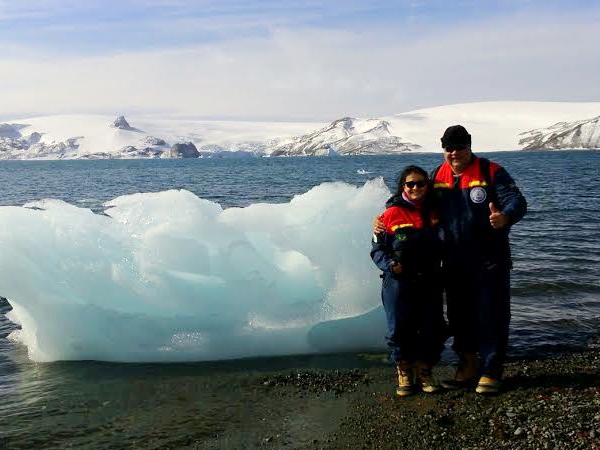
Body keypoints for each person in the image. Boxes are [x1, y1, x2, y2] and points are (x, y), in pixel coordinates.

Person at [375, 125, 527, 395]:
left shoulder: (491, 171)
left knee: (491, 314)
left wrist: (505, 216)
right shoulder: (440, 174)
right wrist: (388, 215)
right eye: (448, 148)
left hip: (489, 259)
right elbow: (412, 196)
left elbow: (516, 200)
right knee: (459, 315)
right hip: (453, 261)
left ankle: (492, 370)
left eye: (459, 147)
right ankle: (467, 364)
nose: (454, 153)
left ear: (469, 147)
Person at [370, 165, 447, 397]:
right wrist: (391, 265)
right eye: (410, 184)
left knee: (433, 328)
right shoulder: (389, 215)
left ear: (427, 185)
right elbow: (377, 250)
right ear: (403, 186)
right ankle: (404, 371)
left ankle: (425, 370)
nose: (415, 188)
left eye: (420, 183)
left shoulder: (436, 212)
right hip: (398, 283)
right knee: (399, 330)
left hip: (430, 281)